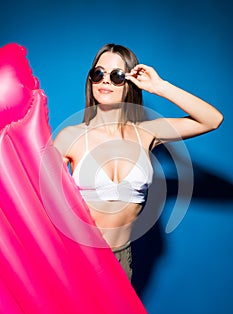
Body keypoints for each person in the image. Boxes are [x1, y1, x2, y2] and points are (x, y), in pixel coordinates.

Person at [54, 43, 223, 282]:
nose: (106, 82)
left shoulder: (146, 133)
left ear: (130, 82)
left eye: (117, 76)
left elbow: (212, 120)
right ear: (90, 79)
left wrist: (160, 87)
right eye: (98, 74)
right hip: (75, 257)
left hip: (120, 262)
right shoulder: (70, 136)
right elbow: (40, 200)